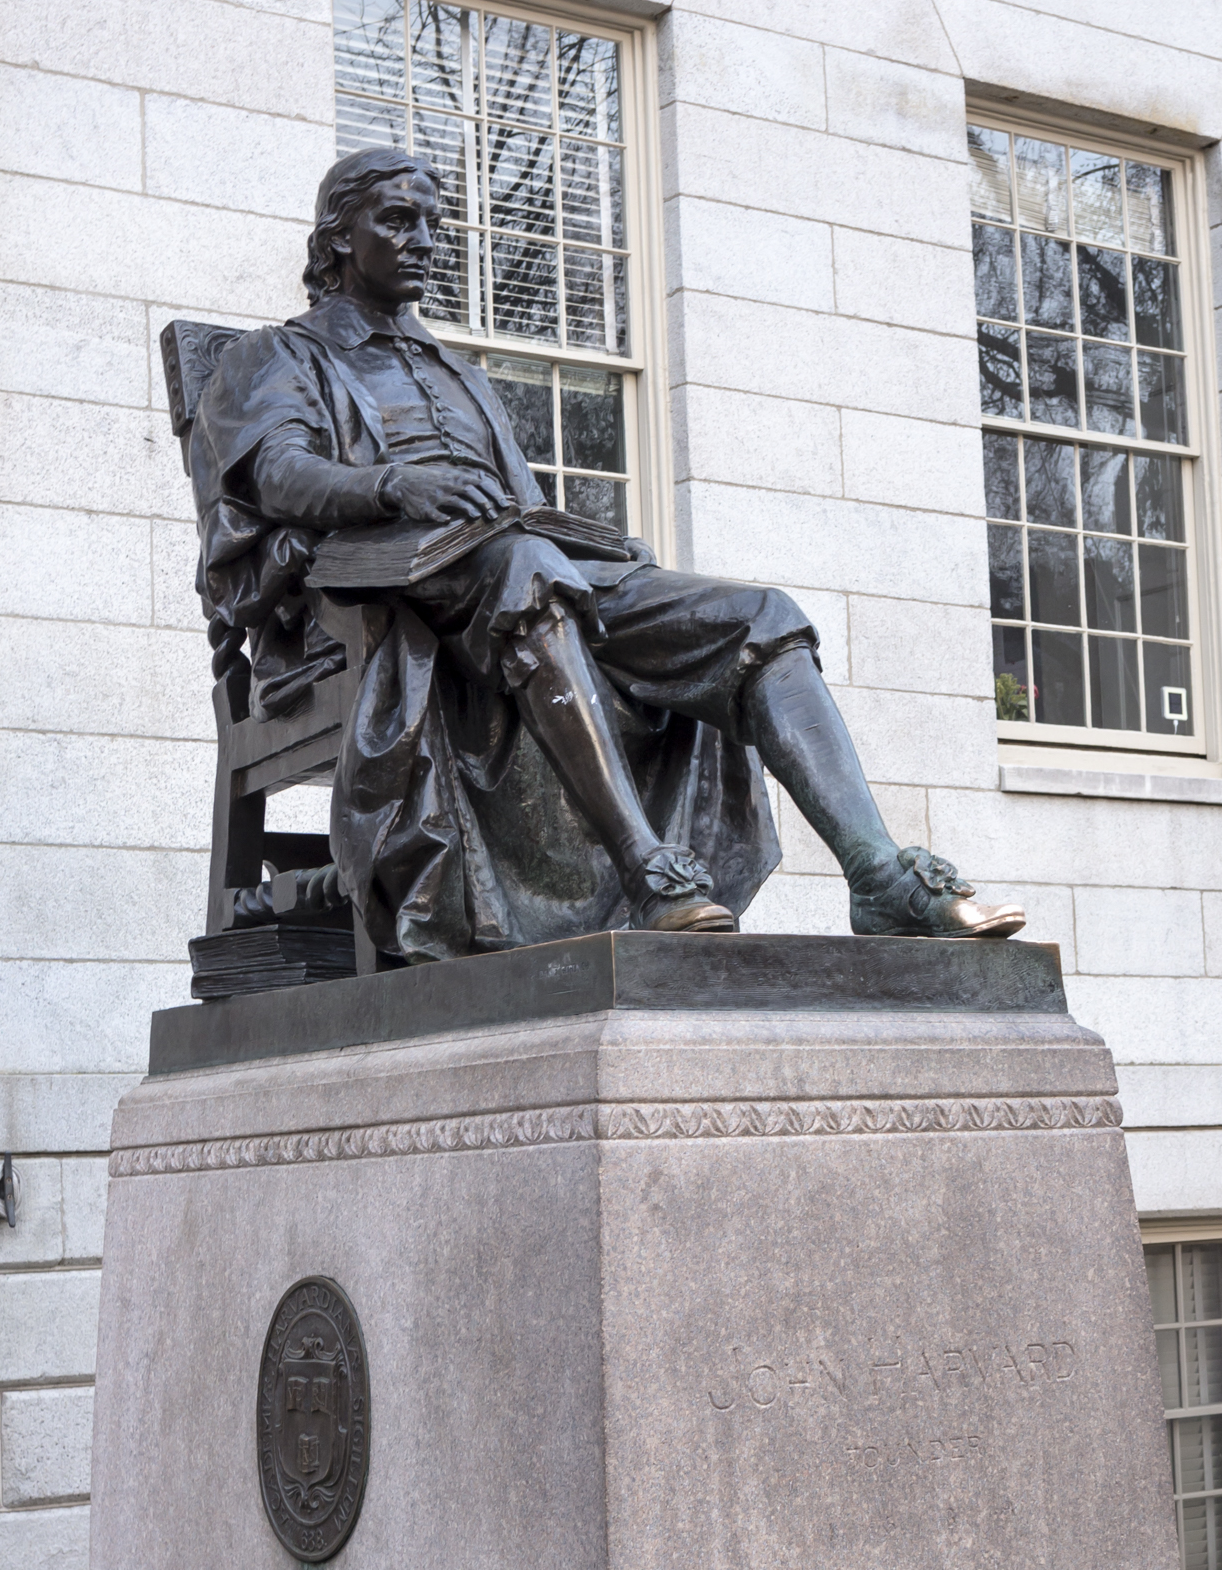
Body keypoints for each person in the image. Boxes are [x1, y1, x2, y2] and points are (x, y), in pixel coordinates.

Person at [188, 146, 1025, 961]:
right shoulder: (273, 355)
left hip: (514, 566)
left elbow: (519, 507)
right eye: (399, 221)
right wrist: (394, 486)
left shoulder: (459, 372)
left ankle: (877, 874)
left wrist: (592, 542)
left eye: (435, 225)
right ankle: (647, 868)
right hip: (379, 593)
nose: (426, 241)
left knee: (760, 618)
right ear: (339, 237)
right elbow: (278, 475)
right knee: (527, 568)